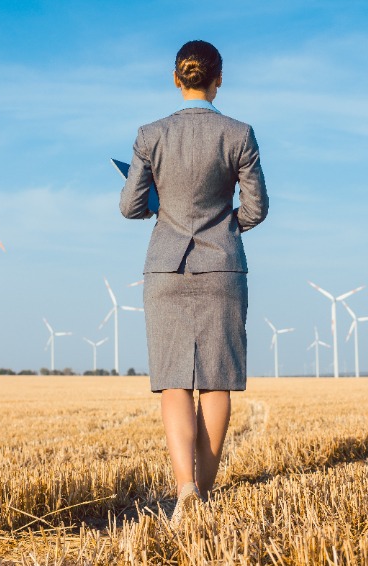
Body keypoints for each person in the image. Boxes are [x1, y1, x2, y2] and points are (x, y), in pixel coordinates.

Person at [120, 40, 268, 525]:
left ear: (176, 78)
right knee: (217, 381)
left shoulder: (150, 135)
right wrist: (226, 229)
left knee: (174, 384)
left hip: (165, 270)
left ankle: (185, 492)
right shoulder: (239, 134)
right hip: (222, 267)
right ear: (218, 78)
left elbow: (130, 207)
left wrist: (161, 209)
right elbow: (256, 209)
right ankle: (205, 490)